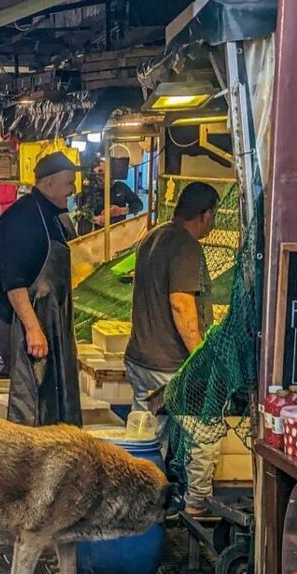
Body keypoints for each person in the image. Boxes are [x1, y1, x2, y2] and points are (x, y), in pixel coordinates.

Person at [124, 181, 219, 516]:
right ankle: (195, 505)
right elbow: (181, 305)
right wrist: (201, 359)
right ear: (206, 215)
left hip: (140, 356)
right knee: (202, 432)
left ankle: (139, 505)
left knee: (146, 436)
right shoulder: (185, 246)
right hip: (169, 364)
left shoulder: (153, 236)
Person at [0, 152, 82, 426]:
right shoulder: (21, 218)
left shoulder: (57, 216)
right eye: (69, 183)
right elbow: (14, 283)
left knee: (51, 404)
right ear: (50, 183)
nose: (73, 190)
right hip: (23, 324)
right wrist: (33, 329)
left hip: (51, 321)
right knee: (30, 404)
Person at [75, 161, 144, 237]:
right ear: (93, 174)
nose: (104, 175)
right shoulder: (87, 191)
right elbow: (80, 212)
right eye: (100, 171)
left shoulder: (120, 187)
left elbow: (139, 205)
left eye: (106, 171)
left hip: (119, 234)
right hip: (94, 237)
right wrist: (95, 219)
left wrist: (120, 211)